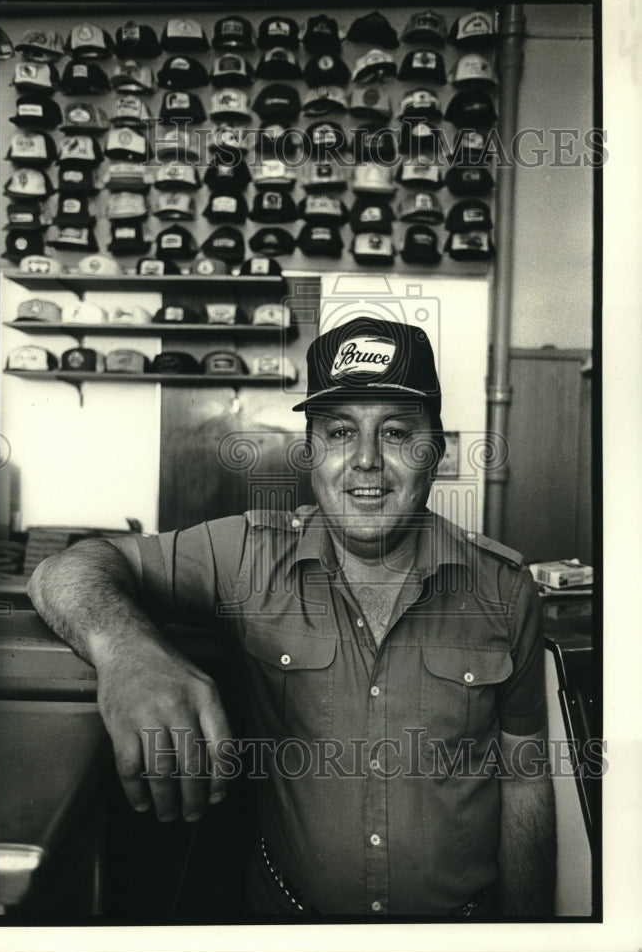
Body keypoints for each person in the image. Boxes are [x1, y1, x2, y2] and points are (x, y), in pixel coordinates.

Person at [28, 315, 555, 919]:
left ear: (435, 451)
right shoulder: (245, 554)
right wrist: (129, 653)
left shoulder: (505, 589)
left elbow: (526, 779)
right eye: (338, 432)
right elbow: (68, 568)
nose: (364, 462)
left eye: (395, 433)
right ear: (310, 452)